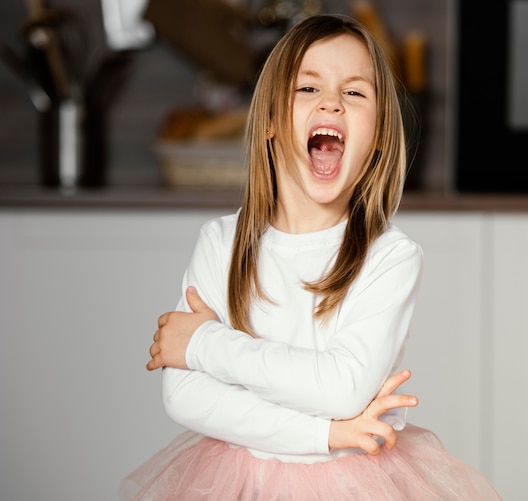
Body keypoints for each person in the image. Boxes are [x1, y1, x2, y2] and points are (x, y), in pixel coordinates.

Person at [119, 14, 502, 500]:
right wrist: (326, 434)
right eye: (307, 89)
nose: (331, 102)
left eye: (355, 93)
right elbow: (185, 397)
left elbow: (343, 389)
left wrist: (203, 345)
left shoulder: (390, 257)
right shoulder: (222, 241)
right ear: (272, 124)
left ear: (381, 135)